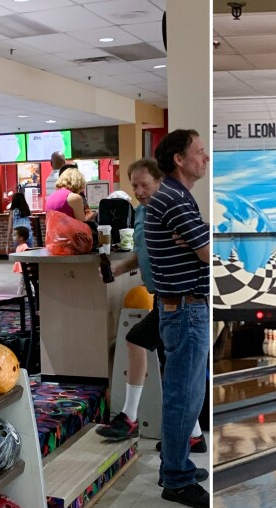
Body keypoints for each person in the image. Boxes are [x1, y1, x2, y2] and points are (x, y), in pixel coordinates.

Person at [96, 158, 207, 455]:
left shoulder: (169, 209)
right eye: (134, 186)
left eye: (145, 184)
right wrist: (119, 270)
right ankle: (192, 435)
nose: (139, 191)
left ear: (161, 182)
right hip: (163, 299)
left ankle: (133, 418)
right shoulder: (143, 212)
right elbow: (144, 253)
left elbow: (200, 248)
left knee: (150, 352)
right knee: (144, 347)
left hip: (178, 300)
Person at [145, 129, 210, 508]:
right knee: (184, 398)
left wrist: (204, 237)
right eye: (199, 153)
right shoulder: (175, 200)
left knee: (183, 395)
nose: (206, 158)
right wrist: (207, 239)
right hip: (185, 309)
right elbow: (206, 253)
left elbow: (202, 243)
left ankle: (174, 464)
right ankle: (177, 480)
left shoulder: (176, 197)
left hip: (180, 307)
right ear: (179, 160)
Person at [11, 226, 30, 296]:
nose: (13, 237)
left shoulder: (24, 247)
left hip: (24, 267)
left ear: (21, 238)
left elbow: (26, 257)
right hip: (22, 266)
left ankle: (19, 294)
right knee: (24, 281)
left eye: (15, 235)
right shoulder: (19, 246)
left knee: (23, 281)